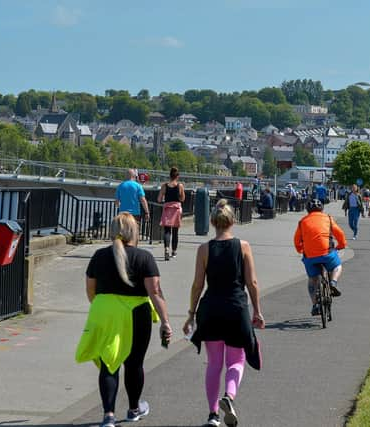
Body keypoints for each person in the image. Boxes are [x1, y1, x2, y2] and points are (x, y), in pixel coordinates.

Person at [76, 213, 172, 427]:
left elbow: (90, 290)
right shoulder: (144, 257)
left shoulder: (99, 256)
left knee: (109, 364)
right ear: (134, 232)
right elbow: (154, 292)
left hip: (104, 312)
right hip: (137, 313)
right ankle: (133, 409)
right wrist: (165, 321)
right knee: (134, 363)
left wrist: (104, 308)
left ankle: (108, 415)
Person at [183, 199, 264, 427]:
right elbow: (252, 282)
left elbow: (197, 285)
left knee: (214, 363)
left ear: (212, 222)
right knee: (236, 361)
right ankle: (229, 396)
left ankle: (212, 415)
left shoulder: (204, 249)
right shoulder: (243, 246)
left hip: (211, 310)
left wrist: (191, 313)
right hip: (236, 308)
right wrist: (257, 310)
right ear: (232, 221)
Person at [294, 199, 347, 315]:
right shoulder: (328, 218)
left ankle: (315, 304)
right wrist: (342, 245)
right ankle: (333, 282)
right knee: (337, 266)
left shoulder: (302, 222)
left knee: (312, 279)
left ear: (308, 210)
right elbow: (340, 234)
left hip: (310, 256)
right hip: (327, 253)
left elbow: (296, 240)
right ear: (322, 209)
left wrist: (300, 250)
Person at [158, 167, 185, 261]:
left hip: (167, 209)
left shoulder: (164, 186)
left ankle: (166, 249)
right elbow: (182, 199)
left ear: (169, 176)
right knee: (175, 232)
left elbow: (159, 199)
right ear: (177, 176)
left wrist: (165, 198)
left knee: (167, 231)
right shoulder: (180, 186)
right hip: (176, 209)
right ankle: (173, 251)